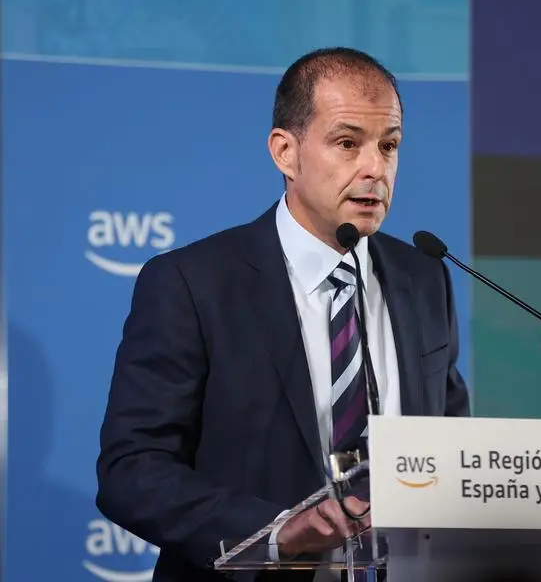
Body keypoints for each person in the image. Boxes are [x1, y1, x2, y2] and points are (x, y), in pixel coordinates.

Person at [95, 46, 470, 582]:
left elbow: (450, 445)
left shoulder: (425, 278)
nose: (375, 168)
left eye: (389, 146)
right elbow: (132, 469)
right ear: (285, 152)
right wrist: (275, 533)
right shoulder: (193, 283)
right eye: (348, 143)